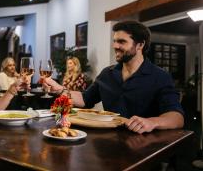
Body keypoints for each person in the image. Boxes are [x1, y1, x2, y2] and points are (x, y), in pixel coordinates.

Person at [44, 20, 184, 134]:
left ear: (140, 45)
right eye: (115, 41)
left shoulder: (160, 76)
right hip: (107, 144)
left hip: (142, 148)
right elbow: (85, 99)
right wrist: (60, 89)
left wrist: (152, 122)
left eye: (122, 42)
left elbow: (177, 117)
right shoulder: (107, 73)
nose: (115, 46)